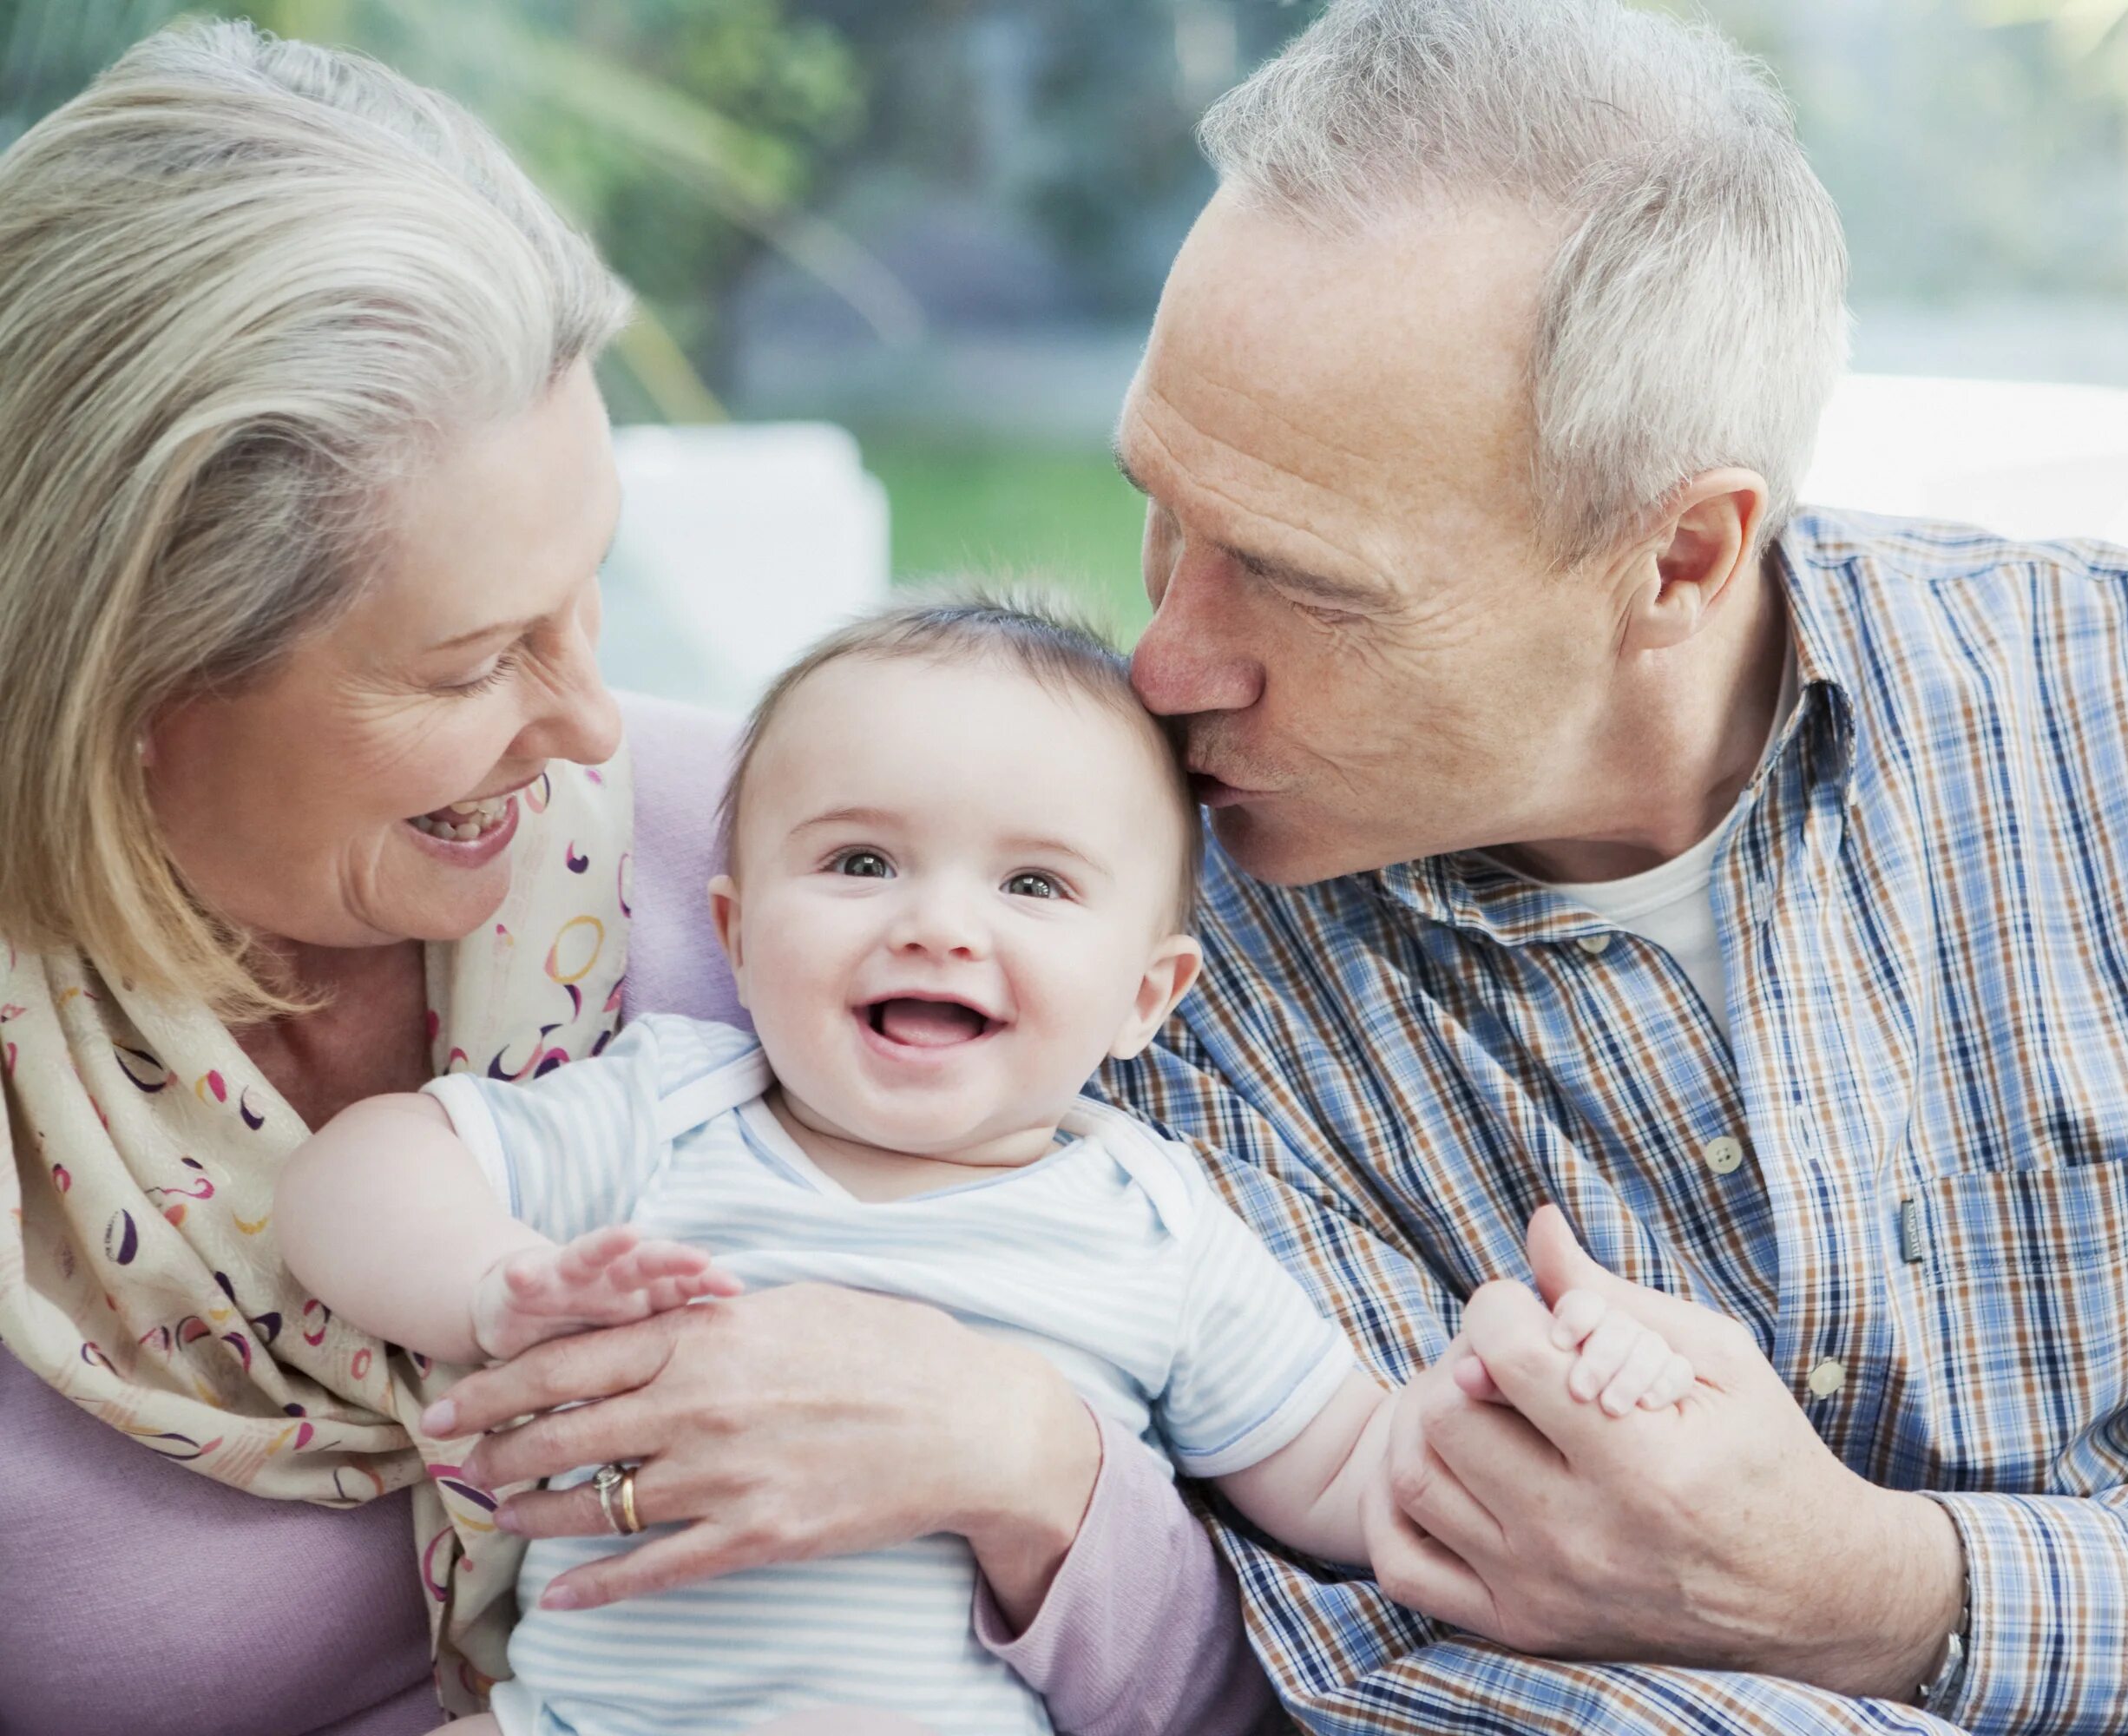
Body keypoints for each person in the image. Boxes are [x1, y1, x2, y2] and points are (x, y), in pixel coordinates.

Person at [1096, 0, 2128, 1729]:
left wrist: (1881, 1594)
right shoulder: (1130, 948)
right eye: (1163, 508)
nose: (1166, 663)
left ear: (1678, 554)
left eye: (1299, 580)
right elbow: (1403, 1684)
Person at [0, 25, 1271, 1734]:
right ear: (124, 685)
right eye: (468, 664)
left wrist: (1022, 1461)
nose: (590, 717)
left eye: (590, 588)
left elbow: (1249, 1696)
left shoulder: (799, 880)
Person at [275, 599, 1696, 1736]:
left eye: (1034, 886)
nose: (940, 926)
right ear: (734, 928)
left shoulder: (1155, 1226)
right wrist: (497, 1282)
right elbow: (361, 1169)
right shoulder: (669, 1118)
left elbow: (1352, 1471)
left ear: (1149, 994)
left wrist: (1527, 1387)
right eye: (858, 864)